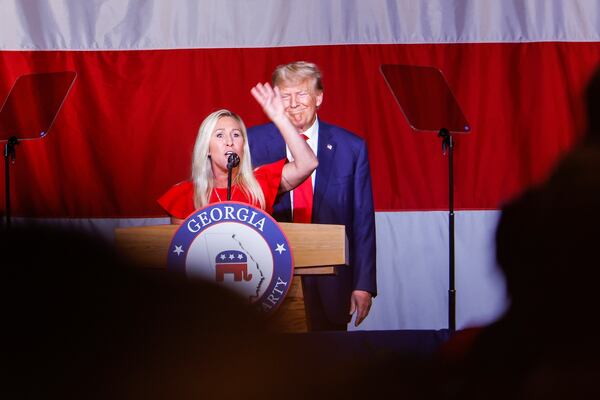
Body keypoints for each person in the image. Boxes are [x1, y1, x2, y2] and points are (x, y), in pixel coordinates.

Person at [247, 61, 377, 331]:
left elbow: (362, 222)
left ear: (319, 97)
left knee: (328, 365)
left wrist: (364, 284)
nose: (293, 103)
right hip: (269, 276)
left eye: (302, 93)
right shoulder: (253, 142)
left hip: (331, 279)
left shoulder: (351, 147)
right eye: (285, 95)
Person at [158, 82, 318, 223]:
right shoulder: (184, 195)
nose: (229, 141)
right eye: (220, 135)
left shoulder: (261, 182)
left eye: (236, 134)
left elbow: (308, 163)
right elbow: (182, 251)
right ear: (206, 148)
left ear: (243, 145)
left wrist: (280, 118)